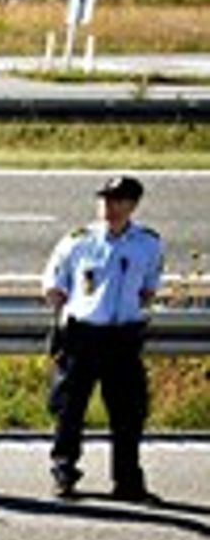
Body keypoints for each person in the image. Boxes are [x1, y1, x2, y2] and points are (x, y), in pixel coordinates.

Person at [42, 174, 163, 504]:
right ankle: (64, 472)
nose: (108, 207)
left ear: (132, 205)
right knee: (70, 409)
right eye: (105, 199)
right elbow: (54, 284)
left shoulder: (148, 243)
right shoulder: (78, 240)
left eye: (117, 200)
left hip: (123, 336)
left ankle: (128, 480)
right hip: (84, 335)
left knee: (128, 413)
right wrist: (64, 315)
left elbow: (149, 287)